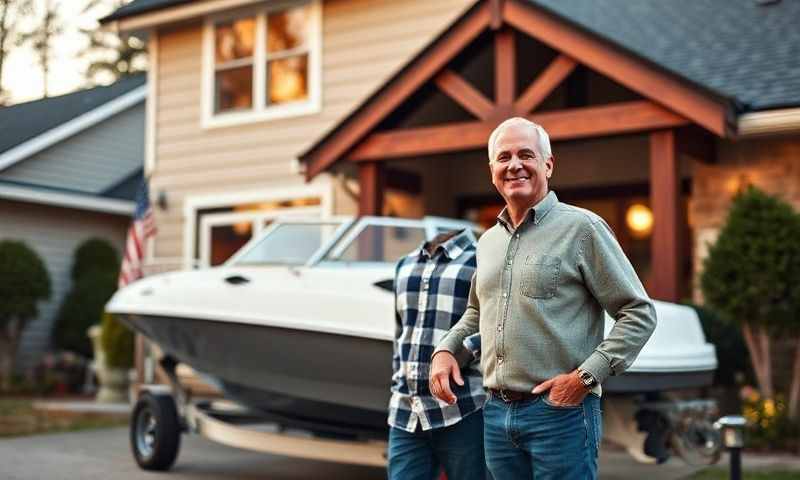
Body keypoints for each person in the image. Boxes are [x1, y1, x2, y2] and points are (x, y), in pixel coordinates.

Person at [429, 117, 657, 480]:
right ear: (492, 171)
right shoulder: (488, 242)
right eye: (504, 157)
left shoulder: (583, 229)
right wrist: (445, 350)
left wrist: (585, 378)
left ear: (548, 164)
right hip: (496, 415)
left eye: (526, 155)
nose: (514, 165)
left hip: (561, 414)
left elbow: (638, 313)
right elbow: (476, 310)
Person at [388, 229, 488, 480]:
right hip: (406, 412)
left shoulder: (482, 260)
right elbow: (401, 334)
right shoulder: (405, 264)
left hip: (464, 408)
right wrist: (397, 383)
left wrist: (460, 354)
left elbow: (496, 327)